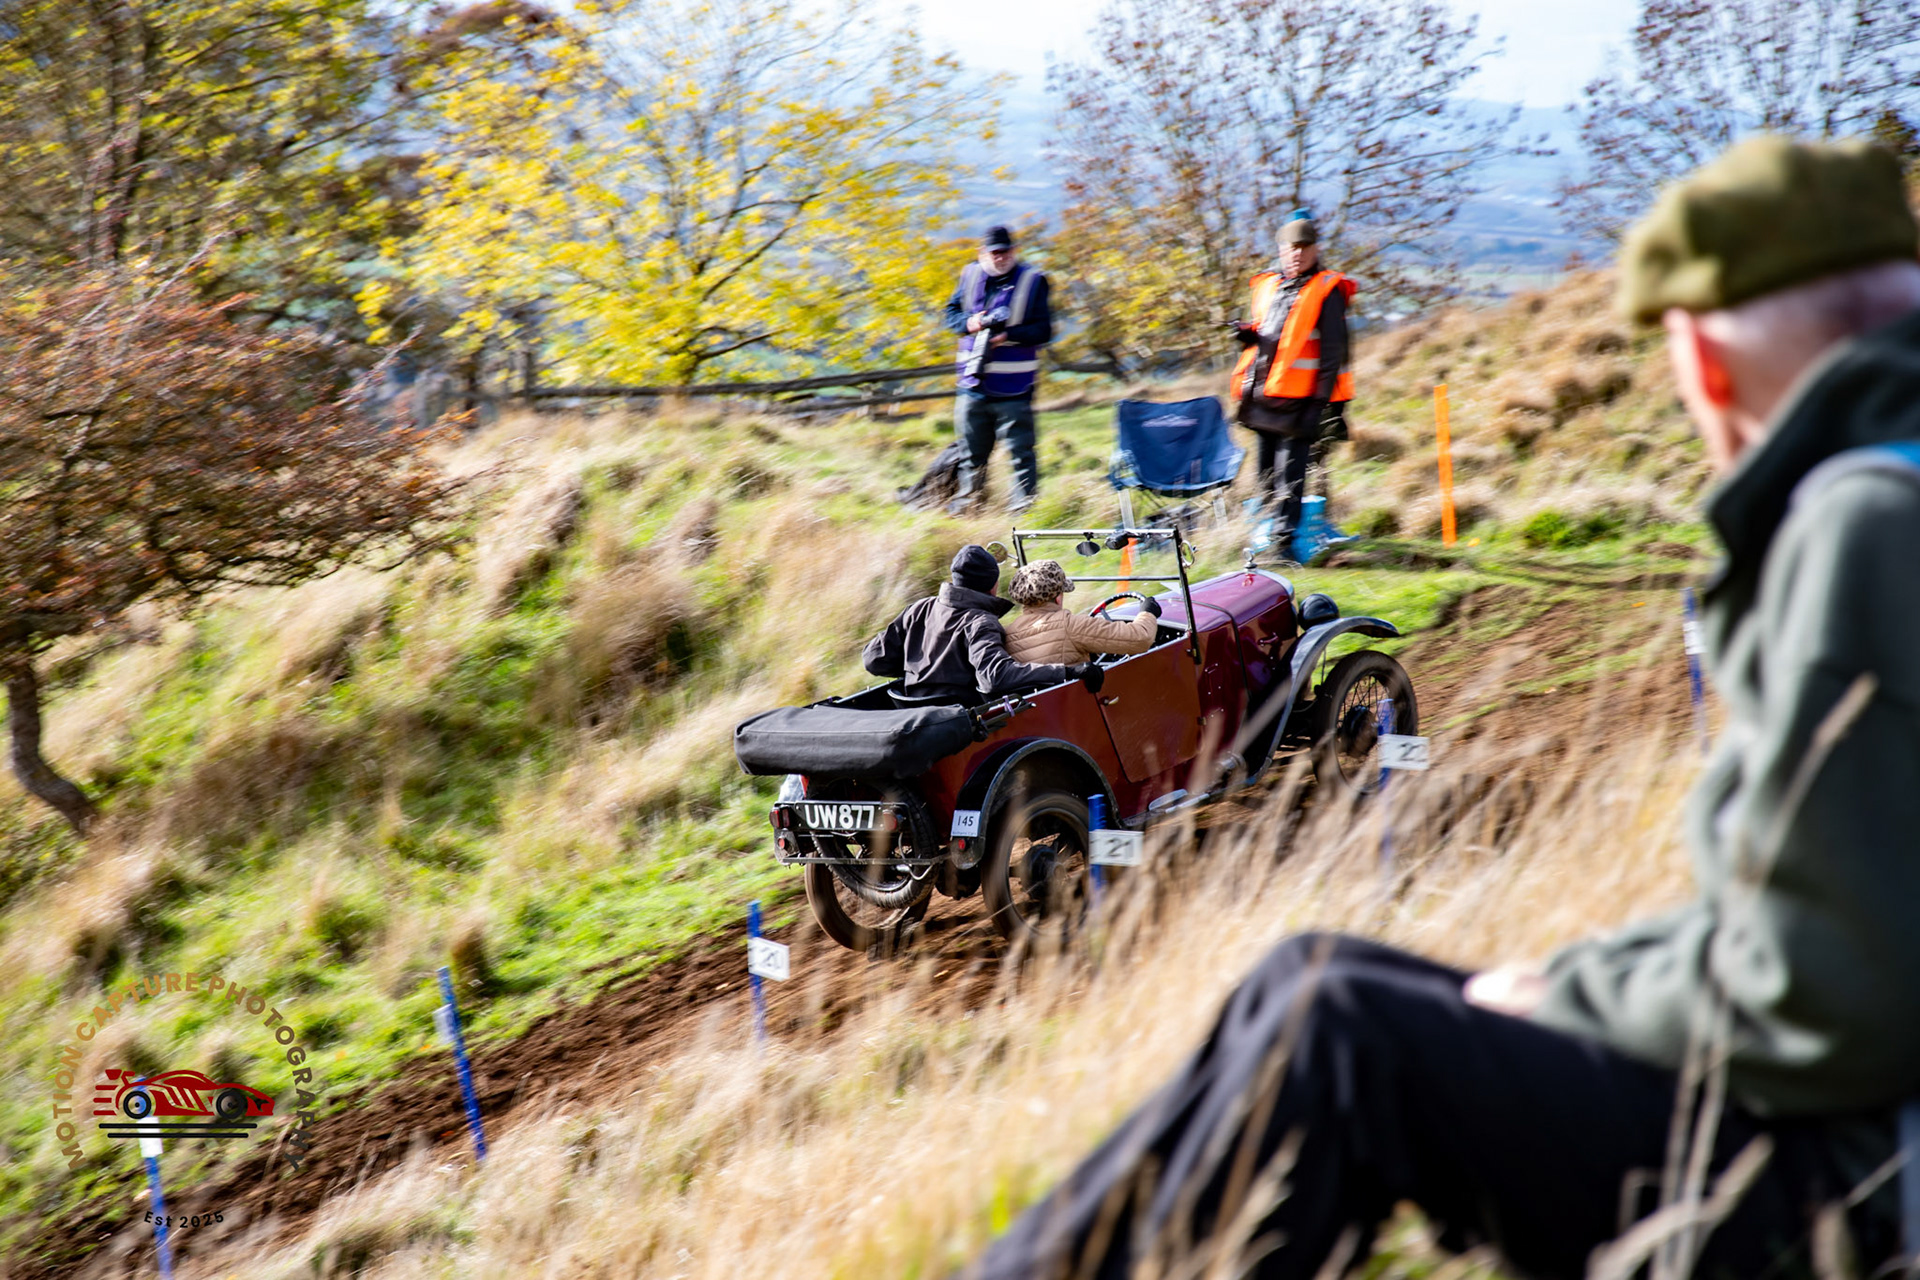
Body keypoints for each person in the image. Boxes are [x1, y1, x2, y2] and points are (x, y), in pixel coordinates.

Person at [962, 137, 1920, 1279]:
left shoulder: (1865, 526)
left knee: (1333, 1026)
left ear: (1708, 363)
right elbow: (1830, 924)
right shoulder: (1879, 499)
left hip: (1845, 1176)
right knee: (1308, 978)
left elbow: (1822, 985)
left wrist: (1572, 995)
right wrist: (1574, 986)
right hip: (1838, 1123)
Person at [1229, 212, 1354, 550]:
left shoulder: (1326, 289)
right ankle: (1263, 541)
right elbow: (1272, 336)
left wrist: (1319, 405)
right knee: (1265, 476)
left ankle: (1282, 546)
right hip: (1264, 397)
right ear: (1281, 250)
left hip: (1302, 403)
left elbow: (1332, 355)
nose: (1297, 253)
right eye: (1291, 247)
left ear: (1315, 249)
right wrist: (1248, 336)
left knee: (1290, 479)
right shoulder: (1270, 285)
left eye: (1304, 247)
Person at [863, 545, 1102, 705]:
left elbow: (874, 659)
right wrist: (1068, 671)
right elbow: (995, 677)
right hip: (960, 722)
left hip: (911, 712)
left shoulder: (919, 608)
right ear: (993, 585)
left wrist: (919, 667)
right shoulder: (980, 622)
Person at [944, 225, 1054, 514]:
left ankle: (1023, 512)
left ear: (1014, 251)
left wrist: (1008, 335)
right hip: (972, 383)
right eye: (995, 252)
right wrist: (970, 323)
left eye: (1006, 251)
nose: (1001, 257)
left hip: (1015, 385)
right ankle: (970, 508)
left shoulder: (1033, 280)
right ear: (982, 253)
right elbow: (950, 314)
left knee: (1021, 453)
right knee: (971, 454)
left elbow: (1044, 330)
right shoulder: (969, 275)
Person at [1001, 560, 1162, 665]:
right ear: (1058, 597)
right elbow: (1140, 639)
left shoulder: (1008, 633)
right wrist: (1148, 612)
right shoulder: (1071, 625)